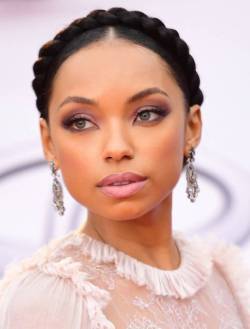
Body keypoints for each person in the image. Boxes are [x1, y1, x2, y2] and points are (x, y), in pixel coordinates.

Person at [0, 6, 249, 329]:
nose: (117, 147)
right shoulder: (48, 299)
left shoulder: (225, 275)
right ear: (49, 142)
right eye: (80, 122)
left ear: (191, 127)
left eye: (146, 114)